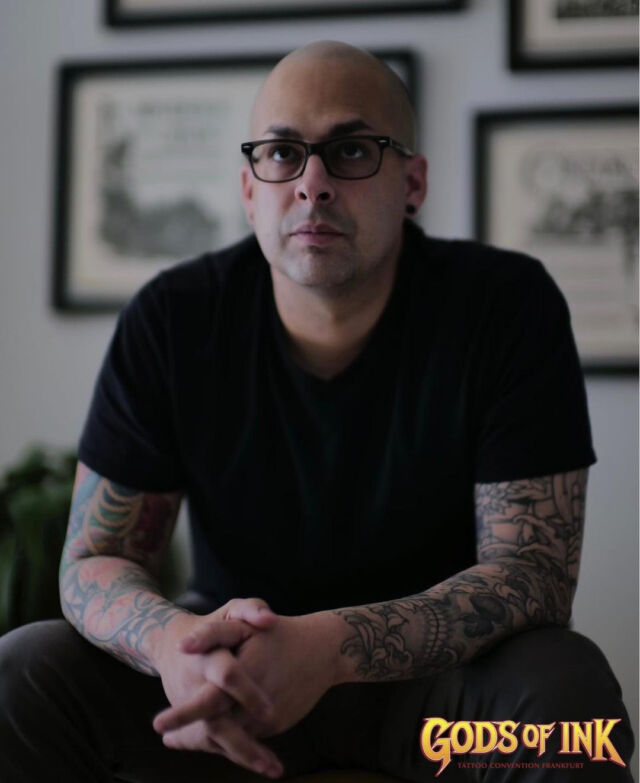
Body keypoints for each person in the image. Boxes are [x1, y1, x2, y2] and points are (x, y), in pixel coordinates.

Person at [0, 41, 634, 782]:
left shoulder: (505, 306)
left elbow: (533, 573)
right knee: (23, 672)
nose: (313, 184)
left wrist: (331, 648)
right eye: (282, 153)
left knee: (565, 696)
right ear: (249, 189)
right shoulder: (174, 318)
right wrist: (175, 645)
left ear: (413, 183)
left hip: (436, 695)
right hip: (231, 685)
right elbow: (94, 559)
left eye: (352, 150)